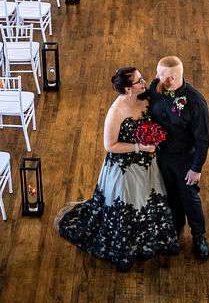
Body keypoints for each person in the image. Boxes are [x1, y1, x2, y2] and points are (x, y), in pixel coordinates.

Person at [55, 66, 179, 272]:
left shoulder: (147, 96)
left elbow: (165, 100)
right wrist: (140, 146)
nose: (144, 83)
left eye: (142, 79)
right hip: (124, 167)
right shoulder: (116, 112)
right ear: (128, 89)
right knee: (129, 204)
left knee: (150, 200)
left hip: (148, 163)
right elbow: (110, 145)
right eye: (139, 81)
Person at [143, 55, 209, 261]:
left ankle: (199, 237)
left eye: (160, 74)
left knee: (190, 199)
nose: (155, 77)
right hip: (160, 156)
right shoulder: (156, 87)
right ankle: (176, 228)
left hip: (184, 160)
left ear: (172, 79)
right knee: (170, 195)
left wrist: (196, 168)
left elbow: (203, 140)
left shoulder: (196, 102)